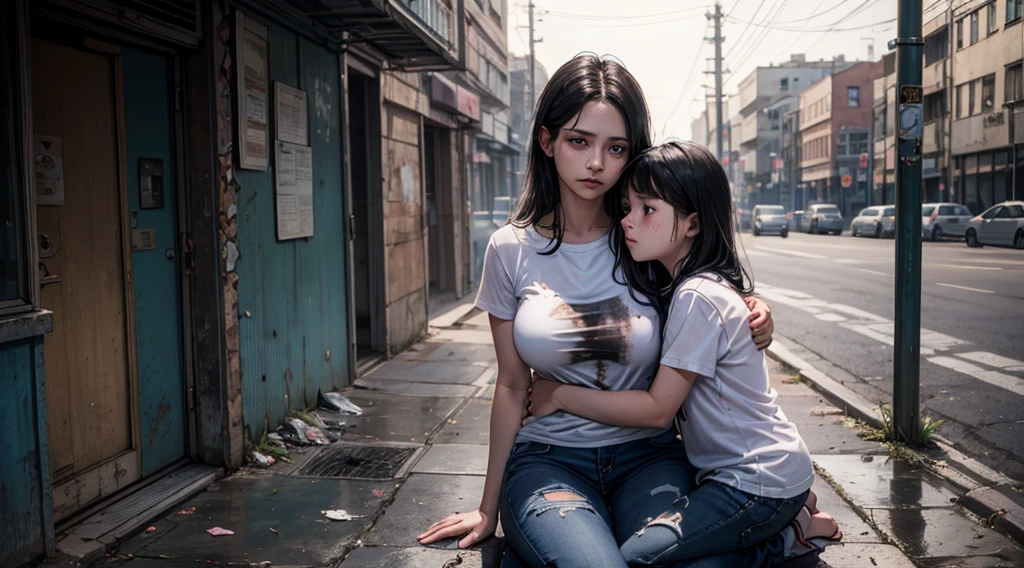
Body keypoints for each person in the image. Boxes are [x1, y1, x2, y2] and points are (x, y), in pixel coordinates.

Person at [416, 54, 779, 568]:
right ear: (547, 141)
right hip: (549, 461)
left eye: (616, 148)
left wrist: (754, 309)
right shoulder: (509, 249)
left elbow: (709, 294)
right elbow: (512, 386)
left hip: (651, 458)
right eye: (578, 141)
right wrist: (487, 508)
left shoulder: (645, 238)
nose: (596, 164)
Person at [526, 141, 842, 566]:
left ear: (693, 224)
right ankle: (790, 515)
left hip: (753, 483)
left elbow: (658, 410)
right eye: (627, 208)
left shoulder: (697, 295)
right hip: (752, 477)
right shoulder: (687, 288)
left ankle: (788, 537)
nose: (628, 221)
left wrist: (560, 395)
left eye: (647, 209)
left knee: (639, 556)